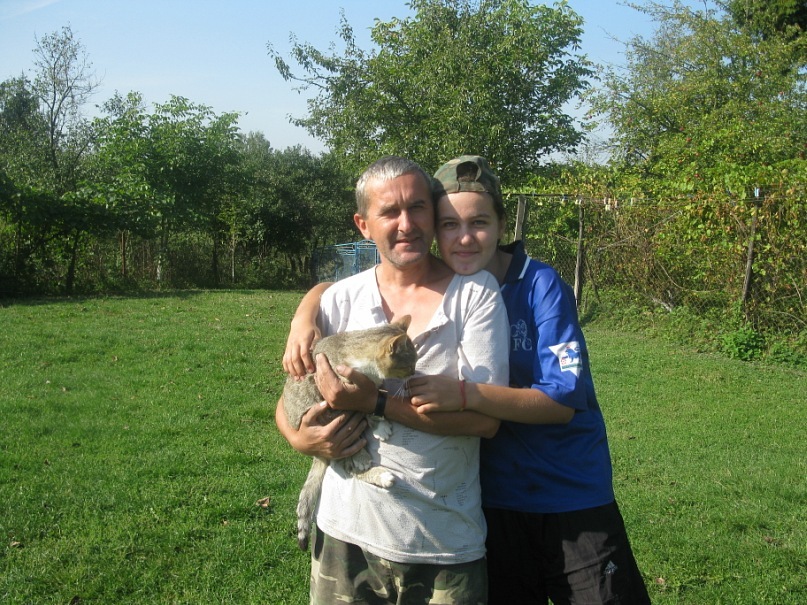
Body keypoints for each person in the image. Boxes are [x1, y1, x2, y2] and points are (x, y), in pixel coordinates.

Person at [285, 155, 651, 605]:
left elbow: (558, 403)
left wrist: (458, 394)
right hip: (493, 496)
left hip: (565, 489)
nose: (463, 237)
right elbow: (335, 304)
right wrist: (307, 310)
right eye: (449, 224)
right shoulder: (363, 293)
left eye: (478, 222)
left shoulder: (528, 287)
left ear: (502, 224)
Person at [275, 155, 510, 605]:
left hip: (443, 542)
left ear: (432, 213)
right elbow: (293, 395)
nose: (407, 224)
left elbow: (486, 422)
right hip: (344, 535)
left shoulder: (475, 294)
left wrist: (377, 403)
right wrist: (299, 439)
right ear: (363, 225)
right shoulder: (340, 299)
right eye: (390, 212)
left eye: (417, 207)